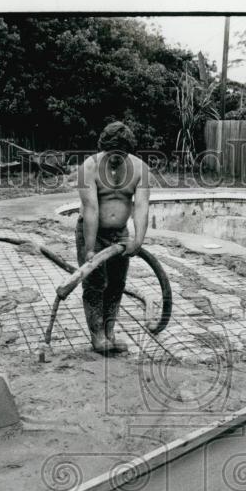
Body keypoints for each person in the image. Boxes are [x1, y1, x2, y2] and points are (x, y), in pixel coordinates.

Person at [75, 121, 151, 354]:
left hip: (120, 236)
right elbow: (91, 209)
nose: (116, 160)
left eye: (122, 155)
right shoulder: (87, 168)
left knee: (117, 284)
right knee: (95, 284)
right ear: (103, 148)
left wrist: (138, 240)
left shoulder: (141, 169)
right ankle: (97, 336)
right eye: (111, 155)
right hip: (92, 233)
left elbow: (141, 207)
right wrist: (89, 249)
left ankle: (109, 333)